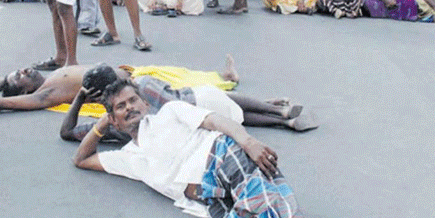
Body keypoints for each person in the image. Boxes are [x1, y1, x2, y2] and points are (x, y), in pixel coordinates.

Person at [73, 80, 360, 218]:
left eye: (133, 100)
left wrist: (248, 142)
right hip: (207, 200)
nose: (130, 107)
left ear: (145, 103)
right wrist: (100, 125)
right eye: (121, 107)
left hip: (222, 156)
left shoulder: (171, 113)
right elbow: (82, 159)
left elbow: (216, 122)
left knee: (271, 208)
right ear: (114, 119)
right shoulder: (128, 158)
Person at [60, 64, 319, 142]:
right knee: (219, 101)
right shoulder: (143, 81)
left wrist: (80, 97)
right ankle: (279, 111)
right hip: (199, 100)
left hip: (190, 127)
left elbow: (67, 132)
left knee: (232, 117)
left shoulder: (116, 120)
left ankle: (284, 120)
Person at [0, 58, 239, 119]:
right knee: (190, 92)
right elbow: (2, 102)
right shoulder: (44, 94)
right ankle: (241, 93)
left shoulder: (43, 77)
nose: (24, 69)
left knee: (184, 74)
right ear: (24, 90)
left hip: (133, 71)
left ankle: (225, 80)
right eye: (21, 75)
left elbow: (3, 84)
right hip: (129, 84)